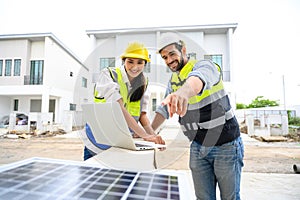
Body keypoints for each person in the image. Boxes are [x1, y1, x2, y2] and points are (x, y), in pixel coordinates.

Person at [151, 32, 244, 200]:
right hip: (198, 146)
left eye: (172, 54)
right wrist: (150, 133)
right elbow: (163, 109)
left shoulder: (205, 66)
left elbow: (198, 79)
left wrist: (183, 93)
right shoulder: (172, 82)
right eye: (165, 57)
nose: (169, 60)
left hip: (226, 145)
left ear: (183, 50)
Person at [84, 42, 165, 160]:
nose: (135, 67)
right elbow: (119, 109)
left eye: (140, 62)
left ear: (145, 64)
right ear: (124, 61)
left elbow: (142, 115)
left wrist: (153, 136)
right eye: (130, 61)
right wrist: (145, 135)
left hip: (120, 143)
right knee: (91, 175)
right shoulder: (108, 74)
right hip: (97, 140)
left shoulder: (144, 83)